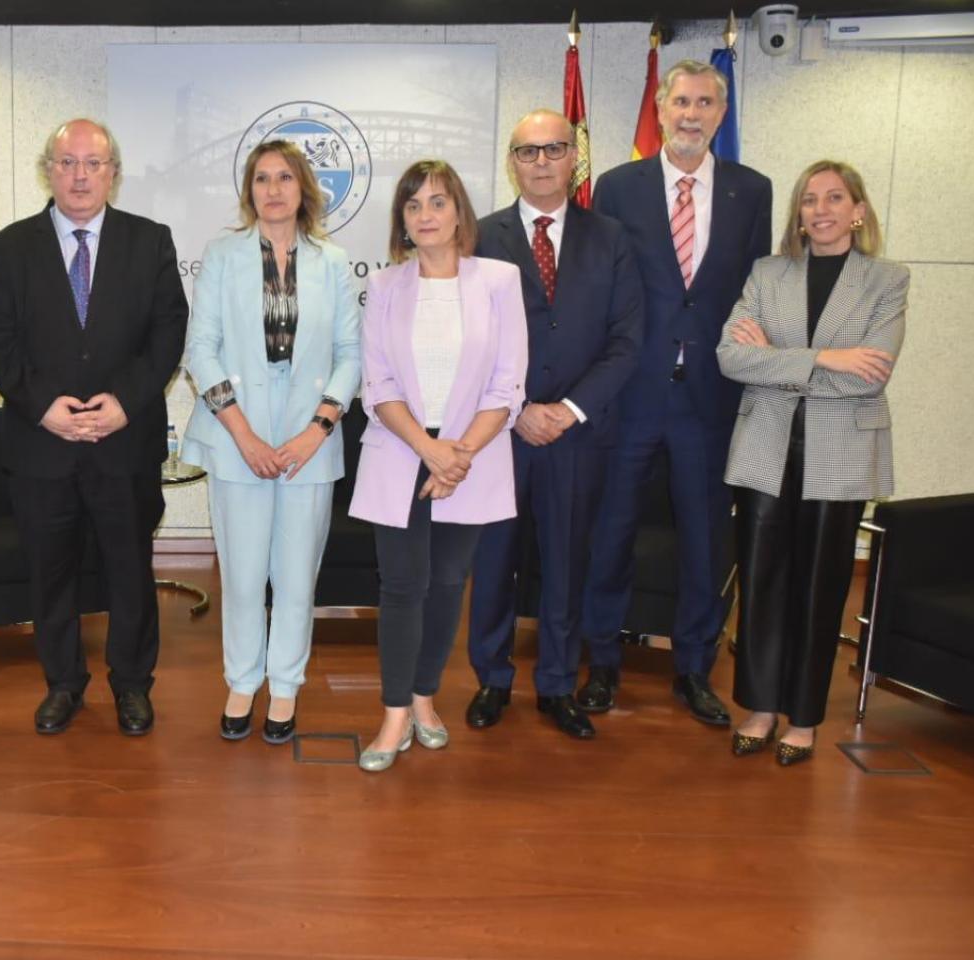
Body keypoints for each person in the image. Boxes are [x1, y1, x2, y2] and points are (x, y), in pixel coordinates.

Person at [0, 118, 189, 737]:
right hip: (42, 445)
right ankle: (63, 684)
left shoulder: (150, 241)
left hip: (124, 441)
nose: (79, 175)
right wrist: (44, 407)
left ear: (113, 174)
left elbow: (168, 332)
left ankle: (131, 685)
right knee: (51, 574)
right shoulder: (10, 245)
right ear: (48, 169)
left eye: (93, 164)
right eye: (67, 162)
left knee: (129, 570)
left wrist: (125, 402)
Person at [579, 60, 773, 726]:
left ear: (722, 113)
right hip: (630, 392)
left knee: (703, 539)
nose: (692, 114)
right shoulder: (617, 186)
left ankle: (694, 668)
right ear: (660, 108)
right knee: (612, 532)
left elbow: (755, 290)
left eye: (706, 103)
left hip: (711, 399)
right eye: (681, 101)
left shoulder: (753, 190)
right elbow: (598, 288)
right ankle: (602, 661)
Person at [717, 161, 905, 766]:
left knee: (822, 587)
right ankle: (761, 706)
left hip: (841, 451)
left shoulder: (887, 280)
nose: (819, 210)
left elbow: (871, 374)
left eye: (834, 198)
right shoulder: (768, 274)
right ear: (797, 214)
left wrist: (779, 358)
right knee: (763, 582)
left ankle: (804, 718)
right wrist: (829, 356)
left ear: (858, 210)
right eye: (808, 200)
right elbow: (730, 359)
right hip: (766, 447)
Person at [464, 110, 642, 740]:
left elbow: (626, 341)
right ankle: (491, 678)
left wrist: (566, 411)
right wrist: (516, 412)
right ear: (512, 161)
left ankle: (558, 685)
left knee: (568, 563)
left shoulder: (614, 239)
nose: (541, 162)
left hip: (578, 433)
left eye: (554, 150)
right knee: (493, 563)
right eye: (528, 151)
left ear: (575, 159)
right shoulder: (480, 237)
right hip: (498, 434)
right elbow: (469, 342)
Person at [348, 160, 527, 773]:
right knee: (401, 586)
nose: (426, 215)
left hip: (471, 458)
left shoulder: (499, 281)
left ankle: (426, 698)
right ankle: (394, 713)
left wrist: (458, 456)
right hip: (401, 453)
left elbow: (508, 386)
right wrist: (430, 451)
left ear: (459, 214)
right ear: (401, 220)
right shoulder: (386, 286)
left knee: (449, 584)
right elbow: (378, 384)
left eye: (438, 202)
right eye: (413, 205)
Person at [179, 140, 361, 744]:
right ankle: (241, 680)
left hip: (310, 435)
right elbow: (199, 351)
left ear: (304, 188)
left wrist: (318, 429)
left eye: (285, 177)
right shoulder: (223, 255)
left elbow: (350, 354)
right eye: (262, 178)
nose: (274, 189)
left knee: (294, 573)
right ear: (249, 190)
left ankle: (284, 687)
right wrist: (243, 433)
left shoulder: (332, 261)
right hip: (238, 433)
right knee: (242, 570)